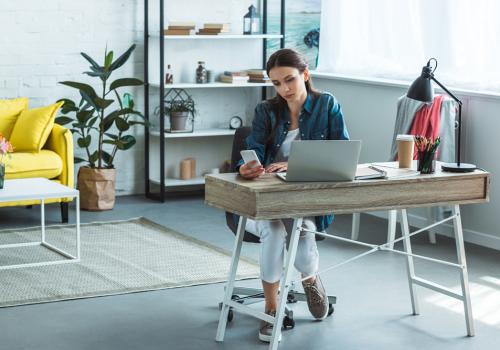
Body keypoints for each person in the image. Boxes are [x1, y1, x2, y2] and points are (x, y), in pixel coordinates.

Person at [236, 48, 349, 342]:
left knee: (303, 231)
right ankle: (272, 308)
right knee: (274, 231)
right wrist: (247, 166)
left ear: (305, 75)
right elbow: (254, 149)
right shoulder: (266, 111)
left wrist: (295, 164)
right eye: (276, 83)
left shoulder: (327, 105)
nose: (284, 89)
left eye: (289, 80)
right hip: (266, 202)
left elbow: (342, 154)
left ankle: (310, 280)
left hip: (305, 202)